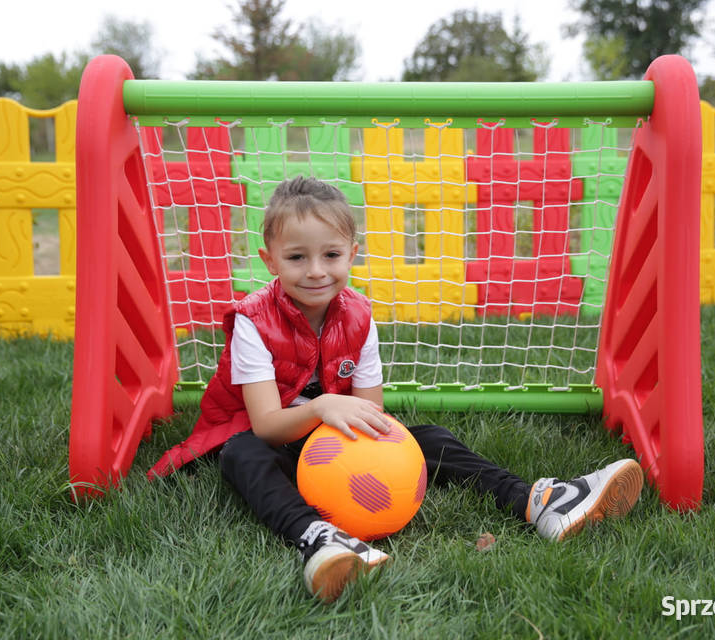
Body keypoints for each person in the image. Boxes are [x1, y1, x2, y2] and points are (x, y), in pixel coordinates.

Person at [149, 176, 644, 603]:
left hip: (326, 443)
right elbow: (266, 425)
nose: (316, 270)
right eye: (297, 257)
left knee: (425, 437)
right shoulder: (254, 322)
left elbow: (373, 417)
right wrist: (324, 405)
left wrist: (357, 430)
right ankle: (322, 540)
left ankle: (538, 501)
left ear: (352, 253)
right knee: (241, 455)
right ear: (270, 259)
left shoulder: (360, 317)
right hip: (268, 440)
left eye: (331, 254)